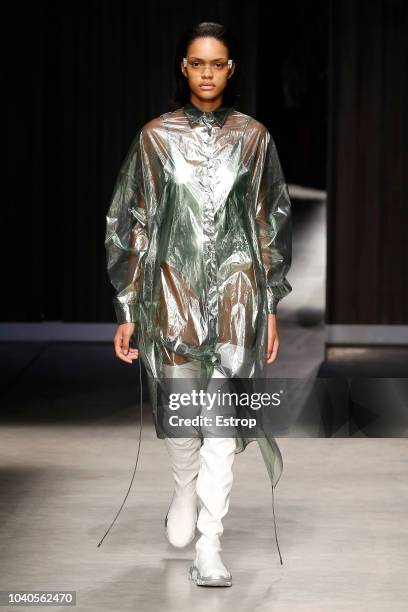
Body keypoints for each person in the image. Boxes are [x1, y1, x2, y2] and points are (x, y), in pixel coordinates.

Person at [104, 22, 292, 587]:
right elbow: (131, 223)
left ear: (231, 69)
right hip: (171, 291)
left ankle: (211, 544)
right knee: (184, 418)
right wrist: (128, 308)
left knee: (221, 421)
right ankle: (183, 489)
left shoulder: (254, 138)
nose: (207, 73)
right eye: (197, 63)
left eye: (218, 64)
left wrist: (271, 303)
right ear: (183, 68)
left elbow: (270, 223)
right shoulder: (155, 138)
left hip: (236, 295)